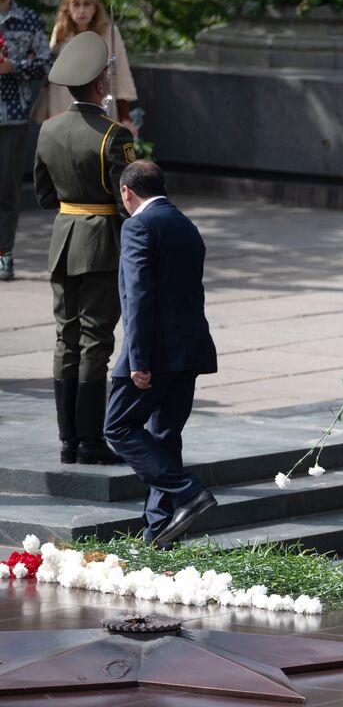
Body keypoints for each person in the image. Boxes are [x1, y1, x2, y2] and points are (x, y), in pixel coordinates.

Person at [104, 161, 219, 546]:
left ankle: (188, 492)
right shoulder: (186, 224)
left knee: (118, 428)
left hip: (153, 354)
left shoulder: (137, 225)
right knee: (163, 436)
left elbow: (137, 297)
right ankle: (160, 529)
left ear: (126, 192)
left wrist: (137, 359)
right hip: (189, 351)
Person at [32, 31, 131, 465]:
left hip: (62, 237)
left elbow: (41, 195)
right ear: (99, 84)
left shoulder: (48, 130)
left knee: (65, 337)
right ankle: (90, 441)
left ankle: (68, 440)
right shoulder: (114, 136)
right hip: (101, 242)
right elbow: (127, 201)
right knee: (95, 340)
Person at [0, 0, 52, 282]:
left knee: (7, 191)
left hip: (13, 119)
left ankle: (4, 254)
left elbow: (46, 63)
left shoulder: (28, 19)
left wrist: (14, 67)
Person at [44, 0, 137, 131]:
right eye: (76, 4)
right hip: (63, 110)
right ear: (68, 7)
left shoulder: (109, 33)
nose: (81, 10)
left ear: (95, 8)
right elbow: (52, 78)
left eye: (86, 4)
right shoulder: (61, 31)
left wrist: (125, 118)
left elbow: (121, 75)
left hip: (100, 110)